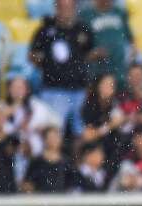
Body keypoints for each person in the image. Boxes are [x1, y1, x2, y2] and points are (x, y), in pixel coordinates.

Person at [29, 0, 101, 136]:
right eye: (62, 7)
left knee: (82, 133)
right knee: (54, 133)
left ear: (75, 8)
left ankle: (81, 157)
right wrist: (43, 60)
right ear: (56, 8)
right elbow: (32, 55)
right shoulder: (45, 30)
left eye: (69, 7)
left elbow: (91, 52)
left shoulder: (83, 29)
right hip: (54, 90)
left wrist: (92, 56)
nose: (66, 11)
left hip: (79, 90)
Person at [81, 73, 128, 177]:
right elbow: (88, 136)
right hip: (92, 149)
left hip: (110, 150)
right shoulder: (89, 106)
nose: (108, 88)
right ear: (97, 86)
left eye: (111, 85)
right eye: (105, 84)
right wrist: (109, 126)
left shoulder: (115, 105)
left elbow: (120, 121)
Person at [79, 0, 135, 85]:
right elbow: (78, 48)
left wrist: (131, 56)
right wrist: (93, 54)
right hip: (97, 74)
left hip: (120, 73)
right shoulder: (85, 15)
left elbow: (132, 40)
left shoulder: (120, 13)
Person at [5, 76, 62, 157]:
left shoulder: (37, 105)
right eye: (14, 87)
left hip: (38, 151)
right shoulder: (3, 108)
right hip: (14, 149)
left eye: (20, 87)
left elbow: (57, 122)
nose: (17, 91)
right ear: (9, 90)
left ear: (27, 89)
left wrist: (44, 128)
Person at [21, 127, 73, 193]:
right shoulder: (36, 161)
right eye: (51, 137)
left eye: (56, 137)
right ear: (45, 139)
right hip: (40, 200)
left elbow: (71, 184)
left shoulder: (66, 162)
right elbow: (27, 183)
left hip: (61, 201)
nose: (54, 140)